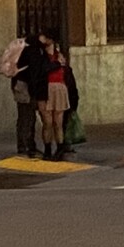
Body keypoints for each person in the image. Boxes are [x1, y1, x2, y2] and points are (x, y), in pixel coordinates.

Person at [0, 33, 36, 156]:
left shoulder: (19, 47)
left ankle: (26, 144)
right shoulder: (29, 50)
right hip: (23, 84)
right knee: (26, 116)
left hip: (19, 84)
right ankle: (25, 145)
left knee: (26, 115)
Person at [37, 32, 71, 160]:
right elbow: (44, 69)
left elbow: (66, 73)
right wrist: (58, 64)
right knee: (47, 122)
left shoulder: (60, 55)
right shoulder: (41, 55)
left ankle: (60, 148)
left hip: (59, 87)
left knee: (58, 122)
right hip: (46, 88)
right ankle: (47, 149)